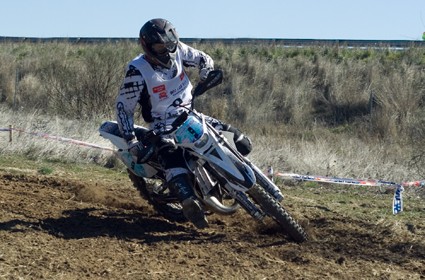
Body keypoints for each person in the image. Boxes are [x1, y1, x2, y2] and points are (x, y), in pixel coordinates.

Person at [115, 18, 252, 229]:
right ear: (147, 46)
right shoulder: (137, 70)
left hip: (190, 113)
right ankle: (189, 200)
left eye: (170, 44)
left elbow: (203, 59)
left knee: (238, 138)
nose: (167, 50)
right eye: (161, 46)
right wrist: (131, 140)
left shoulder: (178, 50)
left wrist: (206, 73)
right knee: (170, 153)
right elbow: (123, 108)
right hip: (162, 124)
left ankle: (236, 174)